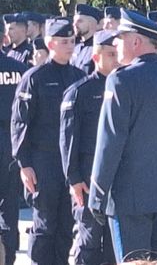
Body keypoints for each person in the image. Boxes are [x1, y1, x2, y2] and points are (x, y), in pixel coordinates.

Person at [88, 9, 157, 263]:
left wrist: (97, 194)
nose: (115, 44)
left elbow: (110, 142)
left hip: (130, 199)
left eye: (120, 38)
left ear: (136, 41)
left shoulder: (121, 80)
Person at [11, 18, 87, 265]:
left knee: (67, 225)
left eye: (72, 41)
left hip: (70, 165)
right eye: (64, 42)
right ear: (51, 44)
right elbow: (20, 123)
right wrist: (25, 164)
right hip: (43, 162)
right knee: (44, 227)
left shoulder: (79, 76)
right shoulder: (35, 77)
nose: (69, 46)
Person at [60, 30, 120, 265]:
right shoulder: (79, 92)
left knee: (115, 248)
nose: (117, 59)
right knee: (88, 243)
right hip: (87, 177)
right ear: (96, 58)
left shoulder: (125, 88)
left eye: (118, 54)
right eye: (110, 54)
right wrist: (73, 179)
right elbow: (68, 141)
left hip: (117, 179)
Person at [0, 33, 27, 265]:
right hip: (11, 144)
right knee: (9, 209)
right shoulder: (19, 69)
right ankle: (8, 258)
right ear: (4, 38)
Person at [72, 4, 103, 74]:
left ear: (92, 23)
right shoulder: (75, 47)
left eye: (79, 21)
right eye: (74, 21)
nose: (74, 24)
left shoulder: (99, 48)